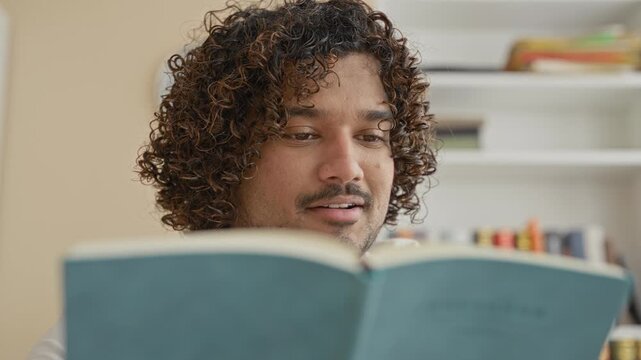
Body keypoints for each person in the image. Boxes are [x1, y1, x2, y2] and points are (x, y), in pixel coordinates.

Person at [28, 0, 437, 358]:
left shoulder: (433, 324)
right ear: (226, 155)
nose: (348, 168)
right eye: (302, 135)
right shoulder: (113, 329)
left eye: (371, 137)